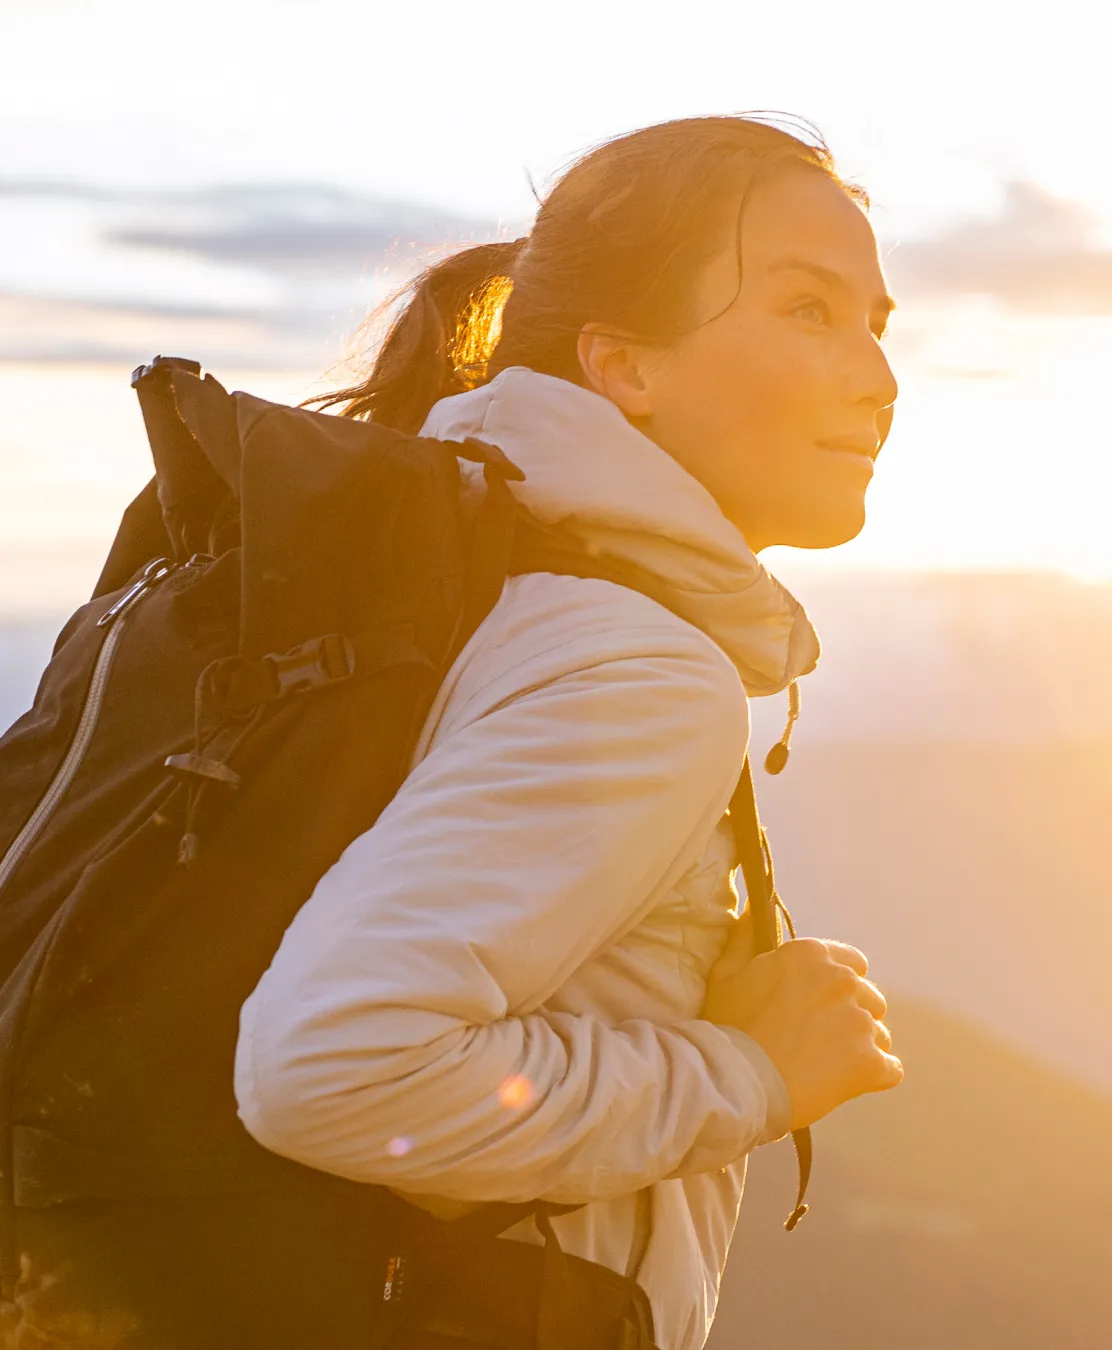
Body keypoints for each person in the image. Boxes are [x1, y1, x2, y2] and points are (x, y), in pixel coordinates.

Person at [232, 113, 903, 1350]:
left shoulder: (461, 582)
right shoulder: (633, 665)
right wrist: (746, 1076)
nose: (878, 375)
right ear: (623, 366)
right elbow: (331, 1067)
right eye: (810, 311)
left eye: (876, 322)